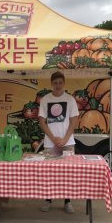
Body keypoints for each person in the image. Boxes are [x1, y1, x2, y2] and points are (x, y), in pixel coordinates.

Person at [38, 71, 79, 214]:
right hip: (50, 143)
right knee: (49, 172)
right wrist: (53, 138)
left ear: (64, 83)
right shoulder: (45, 99)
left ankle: (67, 201)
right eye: (55, 83)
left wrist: (65, 139)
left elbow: (74, 121)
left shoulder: (70, 99)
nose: (58, 85)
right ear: (51, 84)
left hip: (68, 142)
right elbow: (42, 122)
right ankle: (48, 199)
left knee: (67, 173)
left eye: (60, 82)